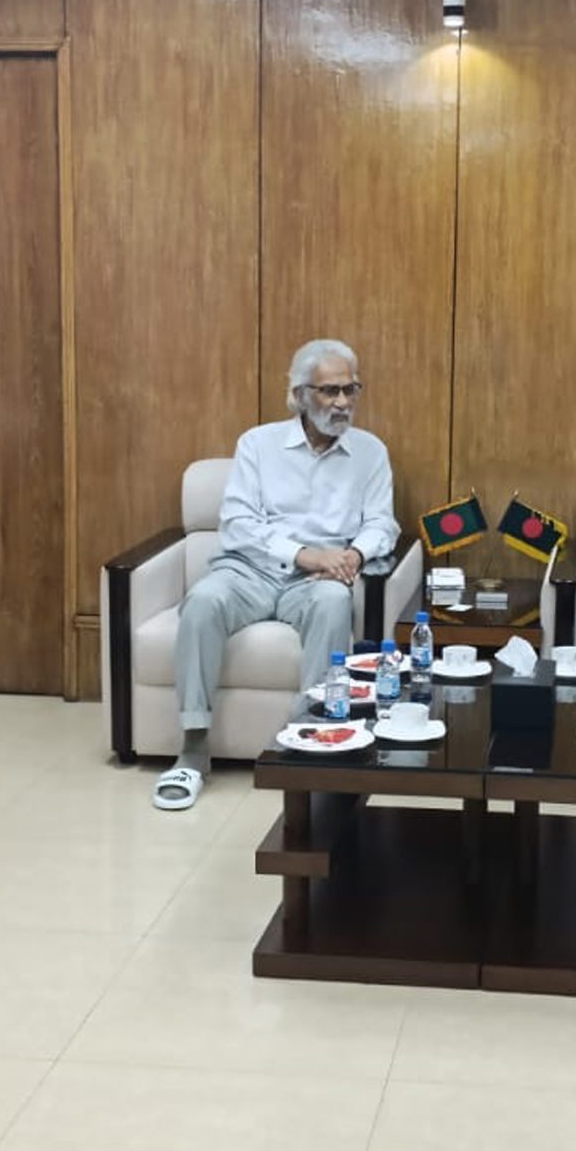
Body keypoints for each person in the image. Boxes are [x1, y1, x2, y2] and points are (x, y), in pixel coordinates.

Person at [155, 339, 397, 812]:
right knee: (202, 602)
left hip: (318, 582)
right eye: (329, 391)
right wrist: (306, 554)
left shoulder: (371, 452)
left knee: (335, 602)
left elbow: (381, 524)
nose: (342, 402)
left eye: (350, 389)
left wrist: (354, 554)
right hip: (251, 570)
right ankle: (194, 746)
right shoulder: (258, 444)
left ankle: (316, 736)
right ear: (301, 395)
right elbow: (239, 525)